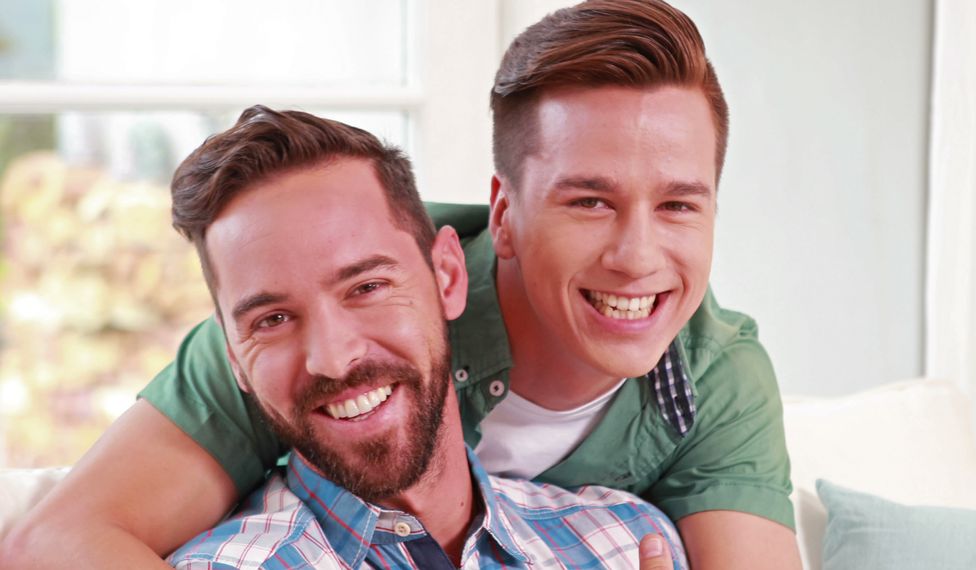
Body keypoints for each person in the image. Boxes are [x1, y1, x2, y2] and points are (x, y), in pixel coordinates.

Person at [0, 1, 799, 568]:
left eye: (679, 204)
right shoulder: (331, 311)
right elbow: (56, 544)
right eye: (588, 201)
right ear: (503, 217)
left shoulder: (716, 381)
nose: (636, 254)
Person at [162, 105, 685, 569]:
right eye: (272, 320)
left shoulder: (627, 541)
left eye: (366, 287)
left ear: (448, 278)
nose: (334, 358)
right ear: (234, 360)